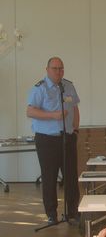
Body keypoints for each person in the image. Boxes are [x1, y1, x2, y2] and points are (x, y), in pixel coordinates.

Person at [26, 57, 80, 224]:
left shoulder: (68, 86)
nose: (58, 72)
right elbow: (30, 111)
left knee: (71, 176)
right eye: (55, 68)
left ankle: (72, 212)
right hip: (47, 140)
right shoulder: (39, 88)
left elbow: (75, 108)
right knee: (49, 177)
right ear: (47, 69)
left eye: (61, 68)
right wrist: (53, 116)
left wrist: (76, 130)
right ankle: (51, 214)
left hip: (67, 137)